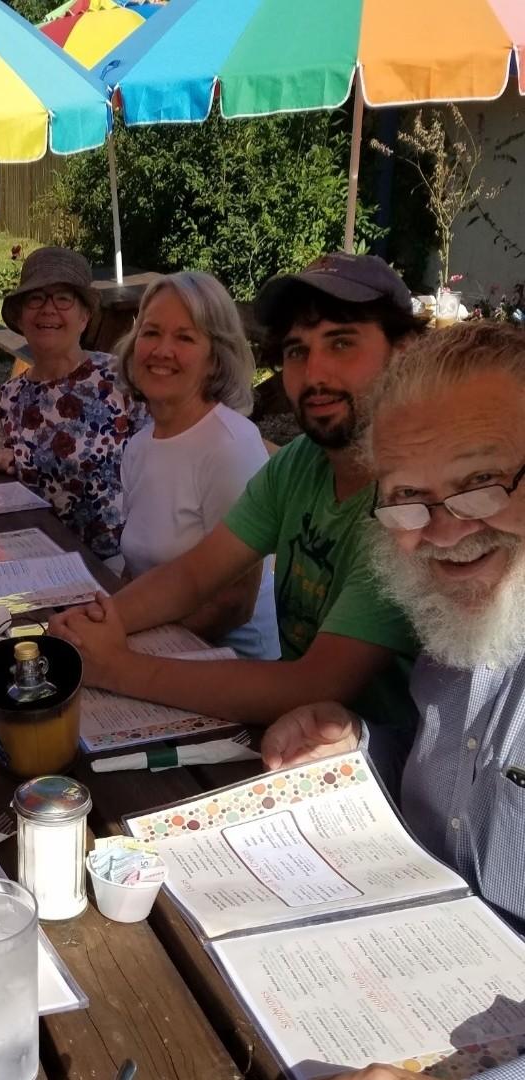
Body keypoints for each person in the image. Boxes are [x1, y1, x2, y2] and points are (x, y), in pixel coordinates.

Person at [261, 321, 525, 1080]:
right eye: (409, 499)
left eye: (480, 484)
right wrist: (363, 743)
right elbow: (464, 778)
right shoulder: (460, 623)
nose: (443, 532)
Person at [51, 253, 424, 726]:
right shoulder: (299, 465)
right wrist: (99, 624)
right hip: (303, 746)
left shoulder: (414, 499)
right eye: (297, 351)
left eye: (342, 343)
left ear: (405, 351)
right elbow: (192, 577)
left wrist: (117, 667)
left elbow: (313, 685)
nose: (315, 374)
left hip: (387, 779)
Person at [116, 271, 278, 659]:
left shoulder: (229, 444)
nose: (161, 350)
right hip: (154, 648)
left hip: (231, 669)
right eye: (151, 332)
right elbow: (135, 568)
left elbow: (234, 605)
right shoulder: (139, 445)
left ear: (214, 359)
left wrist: (128, 643)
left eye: (185, 337)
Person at [0, 246, 146, 561]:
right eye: (36, 298)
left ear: (84, 316)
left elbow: (160, 464)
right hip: (38, 559)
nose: (48, 309)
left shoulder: (121, 378)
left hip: (117, 562)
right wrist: (7, 462)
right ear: (21, 316)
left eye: (63, 298)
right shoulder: (10, 396)